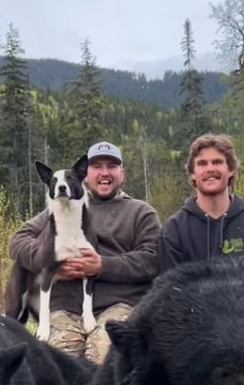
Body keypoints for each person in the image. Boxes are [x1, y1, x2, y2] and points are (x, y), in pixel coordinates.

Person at [8, 141, 161, 363]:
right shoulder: (59, 208)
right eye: (97, 166)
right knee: (54, 368)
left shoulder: (140, 212)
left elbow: (152, 259)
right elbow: (18, 241)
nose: (104, 173)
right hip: (63, 310)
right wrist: (46, 256)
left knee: (105, 365)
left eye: (112, 166)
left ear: (122, 174)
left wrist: (103, 266)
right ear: (85, 175)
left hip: (118, 307)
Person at [159, 134, 244, 271]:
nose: (210, 169)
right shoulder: (174, 230)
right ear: (192, 173)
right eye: (202, 164)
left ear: (231, 169)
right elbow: (170, 288)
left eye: (217, 162)